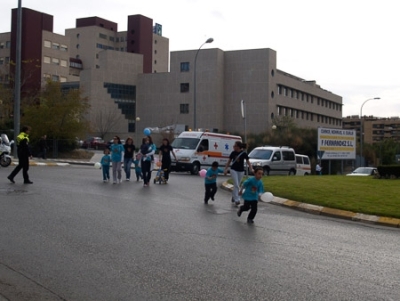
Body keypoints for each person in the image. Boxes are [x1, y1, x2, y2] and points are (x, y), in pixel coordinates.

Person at [224, 141, 253, 206]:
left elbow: (248, 162)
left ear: (238, 147)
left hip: (241, 171)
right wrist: (226, 169)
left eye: (235, 146)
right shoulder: (233, 153)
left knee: (237, 185)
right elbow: (229, 161)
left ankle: (234, 196)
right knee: (236, 185)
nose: (233, 147)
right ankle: (237, 200)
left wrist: (251, 168)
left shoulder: (243, 153)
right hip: (233, 170)